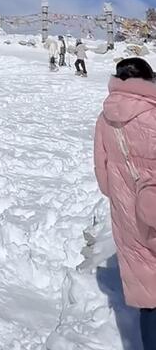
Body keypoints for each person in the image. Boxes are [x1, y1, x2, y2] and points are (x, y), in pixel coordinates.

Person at [94, 58, 156, 350]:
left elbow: (104, 180)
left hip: (127, 219)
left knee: (149, 298)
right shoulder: (153, 114)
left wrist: (124, 197)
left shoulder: (104, 118)